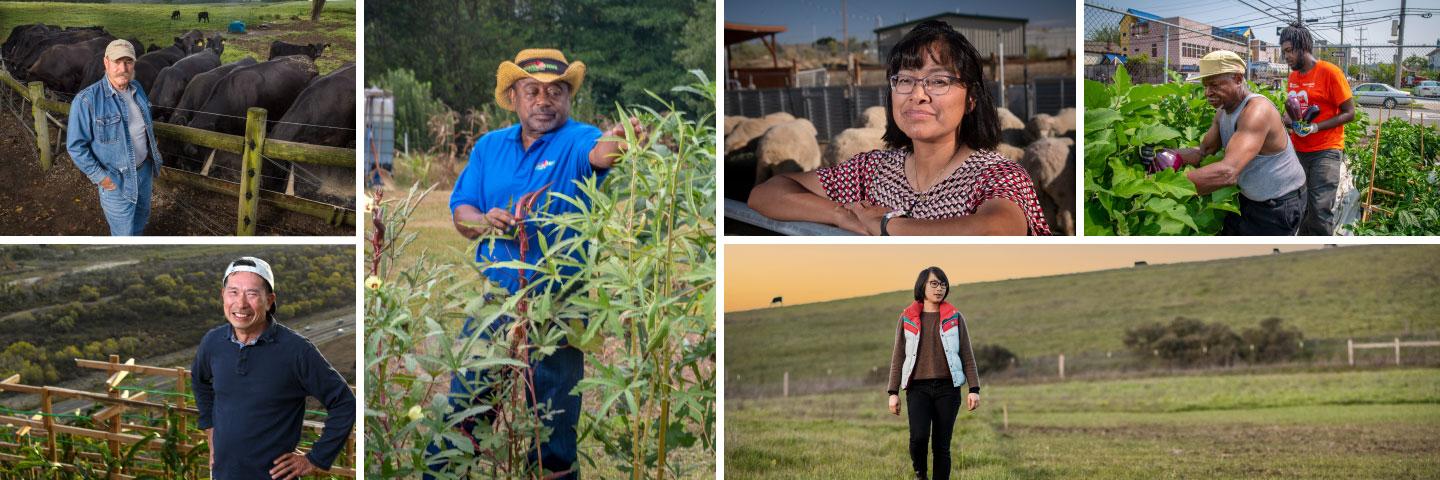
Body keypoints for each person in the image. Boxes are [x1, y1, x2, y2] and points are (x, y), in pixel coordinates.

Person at [433, 48, 642, 479]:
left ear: (568, 98)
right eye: (533, 90)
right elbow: (462, 210)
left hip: (559, 306)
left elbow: (601, 152)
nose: (544, 100)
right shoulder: (490, 147)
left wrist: (621, 140)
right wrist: (485, 221)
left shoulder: (577, 139)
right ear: (514, 96)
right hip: (497, 302)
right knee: (465, 413)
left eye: (556, 91)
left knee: (554, 433)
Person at [747, 20, 1051, 236]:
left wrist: (888, 225)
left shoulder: (997, 174)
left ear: (971, 99)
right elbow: (766, 194)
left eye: (938, 80)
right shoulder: (873, 170)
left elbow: (995, 230)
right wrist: (840, 214)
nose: (917, 94)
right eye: (905, 80)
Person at [191, 257, 355, 480]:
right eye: (233, 292)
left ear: (269, 301)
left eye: (252, 294)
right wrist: (210, 428)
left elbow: (345, 403)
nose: (241, 304)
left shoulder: (296, 351)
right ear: (223, 296)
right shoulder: (213, 342)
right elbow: (200, 382)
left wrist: (314, 458)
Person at [1149, 51, 1307, 235]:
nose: (1208, 93)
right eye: (1205, 86)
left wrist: (1160, 185)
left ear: (1238, 79)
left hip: (1280, 203)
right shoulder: (1223, 111)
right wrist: (1167, 154)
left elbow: (1227, 173)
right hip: (1250, 198)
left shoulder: (1256, 111)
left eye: (1214, 85)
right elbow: (1203, 152)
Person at [887, 266, 980, 480]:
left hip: (948, 389)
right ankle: (920, 473)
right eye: (934, 284)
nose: (939, 289)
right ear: (922, 286)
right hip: (917, 389)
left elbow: (967, 354)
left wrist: (974, 389)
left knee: (941, 446)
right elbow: (898, 356)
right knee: (918, 439)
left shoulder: (955, 317)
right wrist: (893, 392)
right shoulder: (907, 318)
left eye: (943, 284)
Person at [65, 39, 162, 236]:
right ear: (106, 63)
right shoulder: (87, 100)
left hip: (144, 172)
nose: (123, 68)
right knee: (123, 233)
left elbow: (143, 127)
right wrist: (101, 178)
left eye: (128, 62)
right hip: (116, 179)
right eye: (117, 62)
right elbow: (76, 146)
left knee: (141, 220)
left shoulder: (138, 89)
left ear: (134, 64)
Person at [1281, 23, 1355, 235]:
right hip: (1298, 150)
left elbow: (1350, 113)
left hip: (1326, 150)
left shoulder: (1330, 72)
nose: (1285, 57)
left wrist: (1315, 127)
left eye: (1288, 51)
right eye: (1283, 52)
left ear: (1302, 46)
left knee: (1320, 209)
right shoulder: (1293, 77)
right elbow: (1294, 109)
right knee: (1300, 205)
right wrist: (1284, 121)